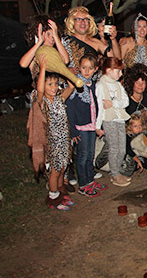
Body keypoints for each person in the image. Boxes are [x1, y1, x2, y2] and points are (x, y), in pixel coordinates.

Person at [36, 61, 75, 210]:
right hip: (53, 142)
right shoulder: (43, 102)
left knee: (63, 167)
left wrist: (63, 70)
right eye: (50, 84)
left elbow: (71, 86)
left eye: (56, 84)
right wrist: (44, 69)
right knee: (55, 170)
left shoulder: (60, 99)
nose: (54, 87)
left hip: (64, 140)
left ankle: (60, 192)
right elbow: (39, 91)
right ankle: (53, 197)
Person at [65, 53, 105, 197]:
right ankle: (83, 184)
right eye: (83, 67)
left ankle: (90, 180)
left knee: (90, 155)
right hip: (80, 127)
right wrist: (73, 130)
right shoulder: (76, 84)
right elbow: (69, 108)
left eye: (90, 68)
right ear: (79, 68)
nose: (86, 71)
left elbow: (95, 105)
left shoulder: (92, 84)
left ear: (95, 70)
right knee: (82, 156)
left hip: (91, 125)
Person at [95, 57, 131, 187]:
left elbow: (126, 101)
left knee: (122, 148)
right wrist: (97, 126)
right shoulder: (100, 86)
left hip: (119, 119)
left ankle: (117, 170)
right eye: (118, 71)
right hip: (108, 120)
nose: (120, 74)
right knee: (114, 147)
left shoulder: (118, 85)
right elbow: (99, 108)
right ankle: (114, 174)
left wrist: (113, 103)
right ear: (109, 70)